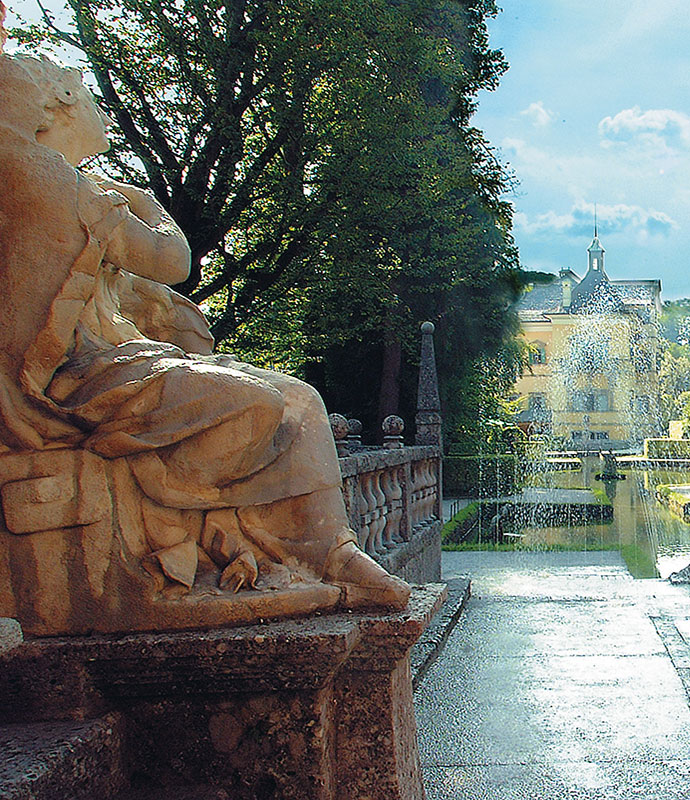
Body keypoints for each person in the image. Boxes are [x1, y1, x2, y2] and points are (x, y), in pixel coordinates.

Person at [0, 53, 408, 613]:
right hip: (74, 380)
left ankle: (332, 552)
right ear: (61, 105)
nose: (99, 107)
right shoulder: (65, 187)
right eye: (88, 95)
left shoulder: (70, 185)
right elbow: (173, 259)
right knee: (259, 406)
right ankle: (217, 533)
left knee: (302, 399)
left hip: (112, 361)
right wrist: (144, 202)